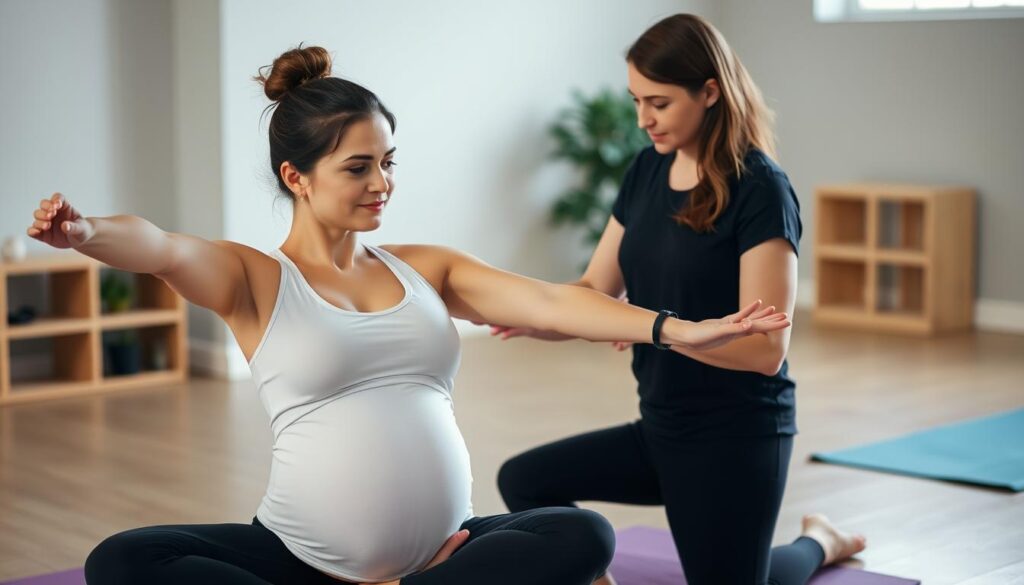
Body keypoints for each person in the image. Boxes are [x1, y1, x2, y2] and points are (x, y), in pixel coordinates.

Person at [28, 45, 789, 585]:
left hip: (445, 552)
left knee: (581, 532)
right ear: (297, 176)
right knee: (122, 559)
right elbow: (159, 246)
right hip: (301, 558)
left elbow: (558, 300)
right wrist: (86, 233)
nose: (382, 182)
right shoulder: (255, 279)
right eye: (358, 167)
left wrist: (672, 328)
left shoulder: (424, 267)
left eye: (388, 160)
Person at [492, 14, 867, 585]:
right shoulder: (646, 168)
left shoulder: (760, 188)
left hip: (737, 439)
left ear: (709, 92)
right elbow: (596, 289)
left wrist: (654, 326)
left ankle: (819, 540)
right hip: (660, 425)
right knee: (525, 480)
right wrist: (536, 316)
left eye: (659, 103)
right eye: (636, 100)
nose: (643, 119)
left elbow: (766, 350)